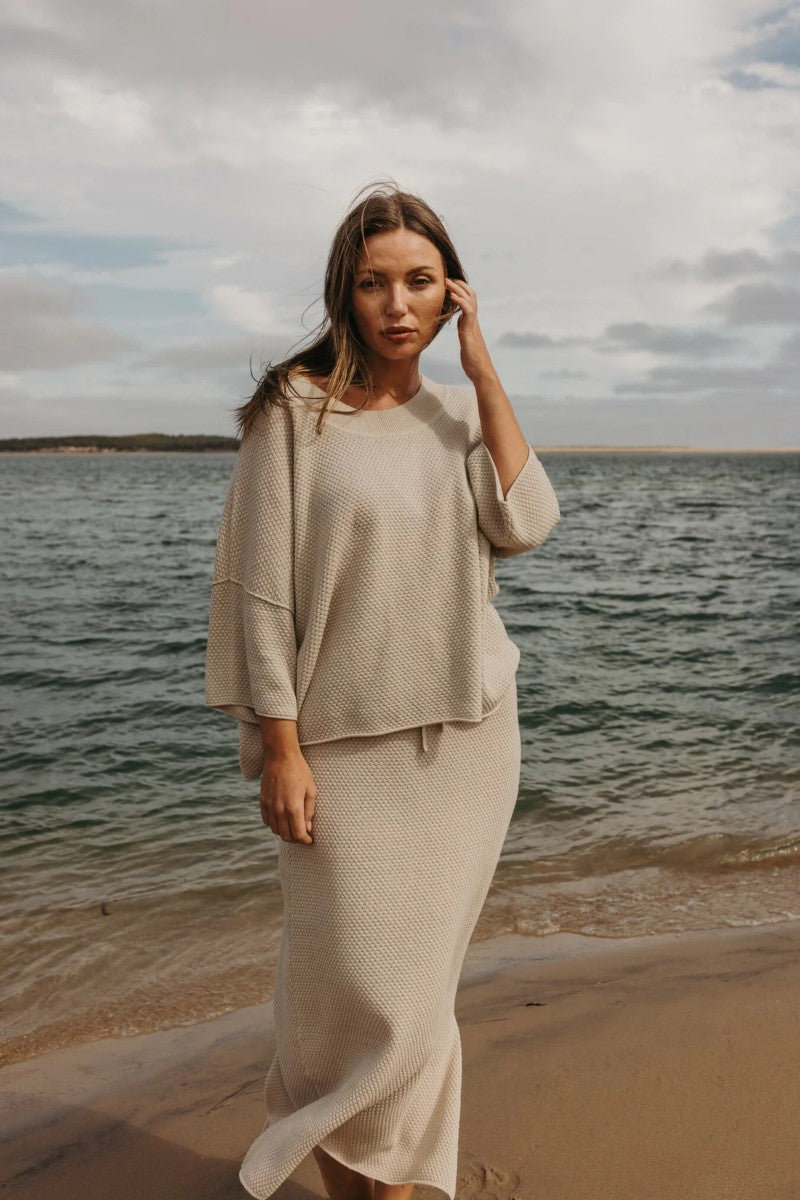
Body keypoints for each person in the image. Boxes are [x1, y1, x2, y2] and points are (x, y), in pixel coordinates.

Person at [204, 179, 561, 1200]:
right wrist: (280, 746)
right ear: (344, 293)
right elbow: (258, 594)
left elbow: (526, 521)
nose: (397, 304)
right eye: (373, 283)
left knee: (412, 1005)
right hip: (339, 753)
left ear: (451, 292)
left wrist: (481, 369)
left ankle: (392, 1188)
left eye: (419, 281)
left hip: (467, 746)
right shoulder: (292, 412)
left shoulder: (460, 415)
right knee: (349, 996)